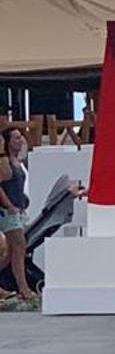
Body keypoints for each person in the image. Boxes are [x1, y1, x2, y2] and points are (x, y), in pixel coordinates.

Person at [0, 125, 37, 307]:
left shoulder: (17, 161)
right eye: (16, 137)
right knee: (18, 245)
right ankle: (24, 288)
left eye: (20, 136)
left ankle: (21, 288)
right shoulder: (4, 161)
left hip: (16, 209)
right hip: (6, 211)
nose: (20, 140)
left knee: (12, 252)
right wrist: (9, 205)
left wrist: (22, 202)